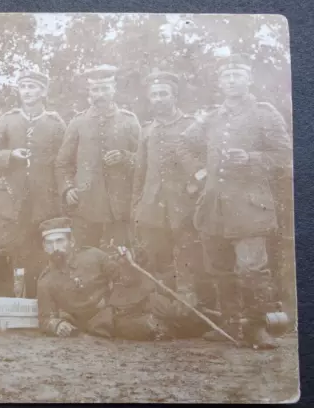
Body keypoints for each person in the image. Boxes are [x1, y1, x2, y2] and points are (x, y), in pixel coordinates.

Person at [183, 54, 292, 349]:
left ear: (249, 80)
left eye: (237, 75)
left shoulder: (264, 114)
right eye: (227, 76)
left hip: (250, 209)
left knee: (252, 270)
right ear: (220, 83)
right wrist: (200, 169)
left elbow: (285, 158)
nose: (231, 80)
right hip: (214, 207)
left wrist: (252, 158)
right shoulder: (214, 116)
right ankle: (231, 326)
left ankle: (257, 328)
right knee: (220, 269)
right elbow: (187, 144)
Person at [37, 217, 206, 340]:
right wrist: (57, 325)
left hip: (133, 301)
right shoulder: (46, 281)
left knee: (177, 311)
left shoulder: (93, 256)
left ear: (71, 241)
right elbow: (45, 319)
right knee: (155, 328)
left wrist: (126, 263)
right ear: (44, 247)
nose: (55, 248)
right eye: (50, 243)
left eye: (60, 241)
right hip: (110, 322)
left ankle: (210, 324)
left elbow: (125, 279)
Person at [0, 70, 66, 298]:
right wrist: (11, 154)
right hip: (9, 198)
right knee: (1, 249)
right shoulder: (8, 119)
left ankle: (34, 304)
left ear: (43, 91)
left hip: (42, 200)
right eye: (23, 87)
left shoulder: (55, 123)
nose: (27, 92)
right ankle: (6, 302)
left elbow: (65, 160)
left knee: (38, 252)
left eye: (33, 87)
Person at [131, 70, 209, 304]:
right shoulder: (147, 130)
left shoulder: (192, 125)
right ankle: (161, 307)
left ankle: (189, 305)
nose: (158, 98)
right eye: (154, 94)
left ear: (174, 96)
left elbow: (205, 163)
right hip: (152, 206)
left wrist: (195, 187)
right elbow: (140, 172)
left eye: (163, 93)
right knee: (156, 256)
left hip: (183, 204)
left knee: (186, 256)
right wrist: (135, 207)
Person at [55, 65, 141, 250]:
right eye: (95, 89)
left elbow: (144, 160)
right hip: (86, 203)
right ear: (89, 92)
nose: (100, 94)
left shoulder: (129, 120)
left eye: (105, 89)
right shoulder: (78, 122)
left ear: (114, 90)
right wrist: (67, 188)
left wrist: (125, 157)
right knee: (86, 257)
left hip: (120, 205)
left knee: (122, 258)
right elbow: (63, 163)